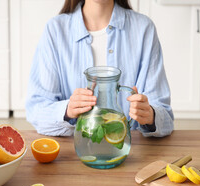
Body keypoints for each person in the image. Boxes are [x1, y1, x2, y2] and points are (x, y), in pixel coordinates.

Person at [26, 0, 174, 137]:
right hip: (73, 153)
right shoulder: (55, 30)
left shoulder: (143, 28)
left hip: (130, 153)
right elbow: (37, 110)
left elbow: (165, 117)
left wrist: (150, 116)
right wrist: (67, 110)